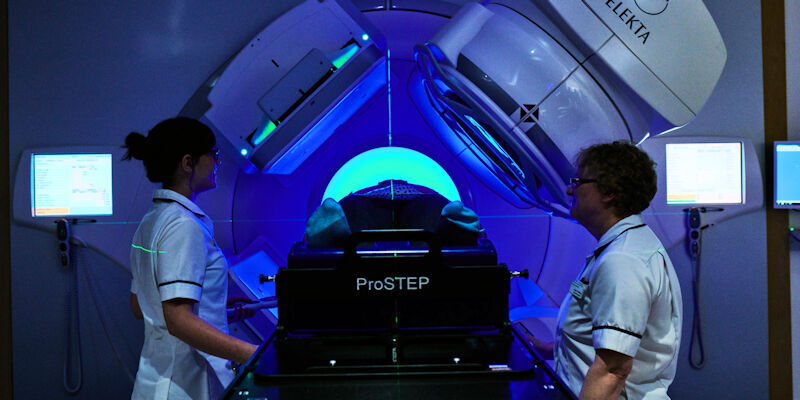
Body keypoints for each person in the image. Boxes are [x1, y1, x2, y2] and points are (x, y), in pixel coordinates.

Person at [534, 141, 683, 399]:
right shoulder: (617, 247)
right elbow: (599, 330)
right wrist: (550, 348)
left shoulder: (623, 261)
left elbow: (613, 370)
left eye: (579, 182)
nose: (571, 189)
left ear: (609, 191)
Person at [124, 117, 258, 400]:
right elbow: (178, 320)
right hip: (182, 386)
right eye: (214, 154)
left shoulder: (151, 221)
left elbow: (140, 304)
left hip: (155, 381)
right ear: (188, 163)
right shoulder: (184, 226)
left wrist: (215, 304)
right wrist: (255, 355)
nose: (218, 163)